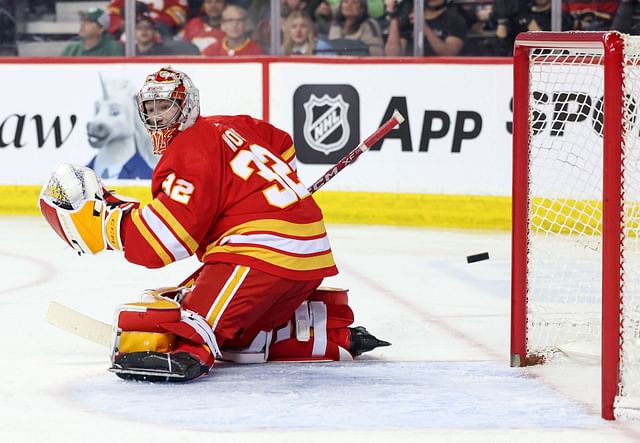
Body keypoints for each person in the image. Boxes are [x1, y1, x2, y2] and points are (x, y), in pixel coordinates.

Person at [39, 66, 391, 382]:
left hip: (261, 255)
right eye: (151, 108)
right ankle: (322, 333)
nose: (159, 116)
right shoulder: (234, 124)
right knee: (240, 338)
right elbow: (282, 144)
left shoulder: (188, 149)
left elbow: (166, 238)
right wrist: (277, 192)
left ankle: (193, 352)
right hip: (310, 254)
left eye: (167, 106)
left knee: (192, 325)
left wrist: (109, 225)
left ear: (187, 105)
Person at [385, 0, 466, 57]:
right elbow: (392, 55)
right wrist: (393, 17)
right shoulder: (411, 18)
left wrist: (424, 28)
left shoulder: (454, 19)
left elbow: (449, 54)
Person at [107, 0, 190, 39]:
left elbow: (178, 13)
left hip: (158, 29)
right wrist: (124, 23)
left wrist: (148, 21)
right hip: (129, 28)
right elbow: (113, 12)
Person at [134, 11, 200, 55]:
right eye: (139, 28)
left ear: (155, 31)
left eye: (148, 27)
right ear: (133, 32)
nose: (144, 31)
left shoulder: (165, 51)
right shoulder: (128, 52)